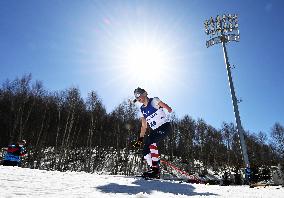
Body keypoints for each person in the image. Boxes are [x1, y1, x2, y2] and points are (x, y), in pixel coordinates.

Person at [133, 87, 173, 179]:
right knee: (145, 151)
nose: (139, 99)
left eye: (139, 95)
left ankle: (156, 169)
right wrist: (140, 139)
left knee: (151, 141)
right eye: (136, 97)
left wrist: (166, 108)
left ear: (145, 93)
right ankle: (154, 170)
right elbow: (144, 126)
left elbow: (169, 108)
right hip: (155, 131)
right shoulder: (142, 110)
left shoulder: (154, 101)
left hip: (164, 127)